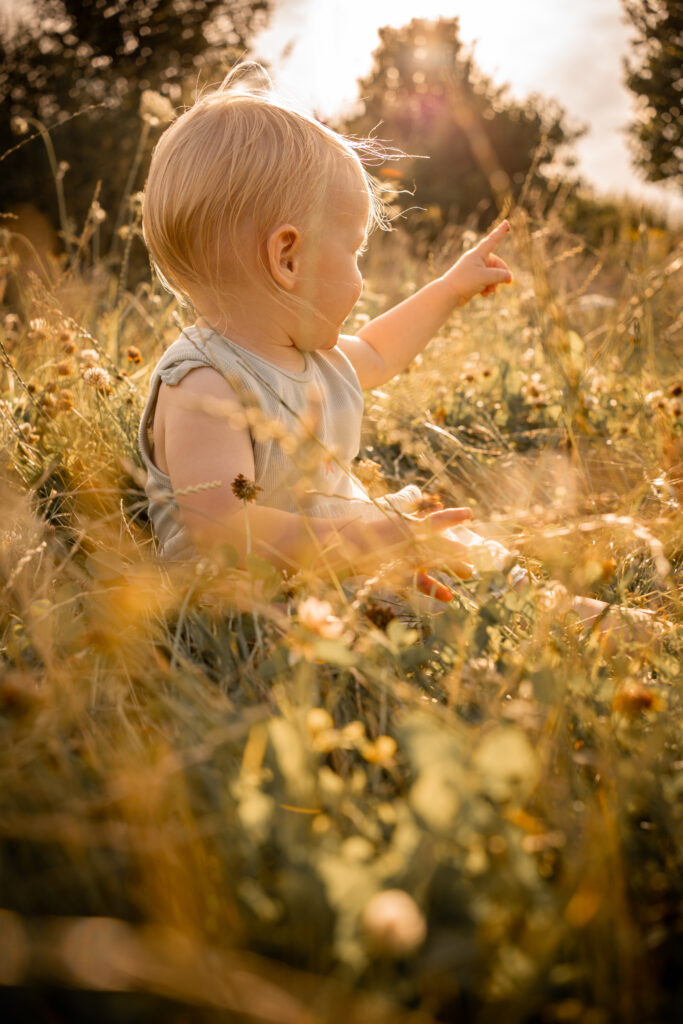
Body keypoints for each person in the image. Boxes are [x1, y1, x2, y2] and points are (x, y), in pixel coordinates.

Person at [138, 63, 654, 635]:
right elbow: (222, 531)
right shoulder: (204, 383)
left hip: (346, 555)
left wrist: (446, 290)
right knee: (403, 593)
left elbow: (381, 354)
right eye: (354, 250)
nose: (360, 272)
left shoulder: (313, 354)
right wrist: (375, 540)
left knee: (454, 549)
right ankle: (528, 624)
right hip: (251, 596)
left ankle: (551, 612)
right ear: (289, 258)